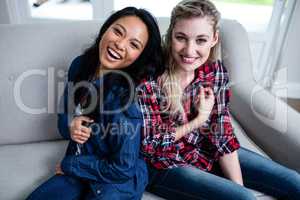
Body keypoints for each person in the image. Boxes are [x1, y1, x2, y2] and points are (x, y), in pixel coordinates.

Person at [137, 0, 300, 199]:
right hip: (164, 163)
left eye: (201, 40)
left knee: (295, 182)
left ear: (214, 38)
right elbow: (151, 145)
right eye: (181, 38)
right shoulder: (150, 77)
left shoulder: (214, 72)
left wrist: (237, 187)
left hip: (206, 150)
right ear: (171, 35)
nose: (189, 51)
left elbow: (222, 134)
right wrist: (199, 120)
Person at [27, 6, 164, 200]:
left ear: (139, 57)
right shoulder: (80, 66)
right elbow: (63, 114)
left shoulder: (124, 102)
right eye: (118, 31)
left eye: (134, 45)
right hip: (82, 163)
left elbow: (122, 168)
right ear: (105, 29)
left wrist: (72, 165)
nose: (120, 45)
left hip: (116, 180)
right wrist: (70, 125)